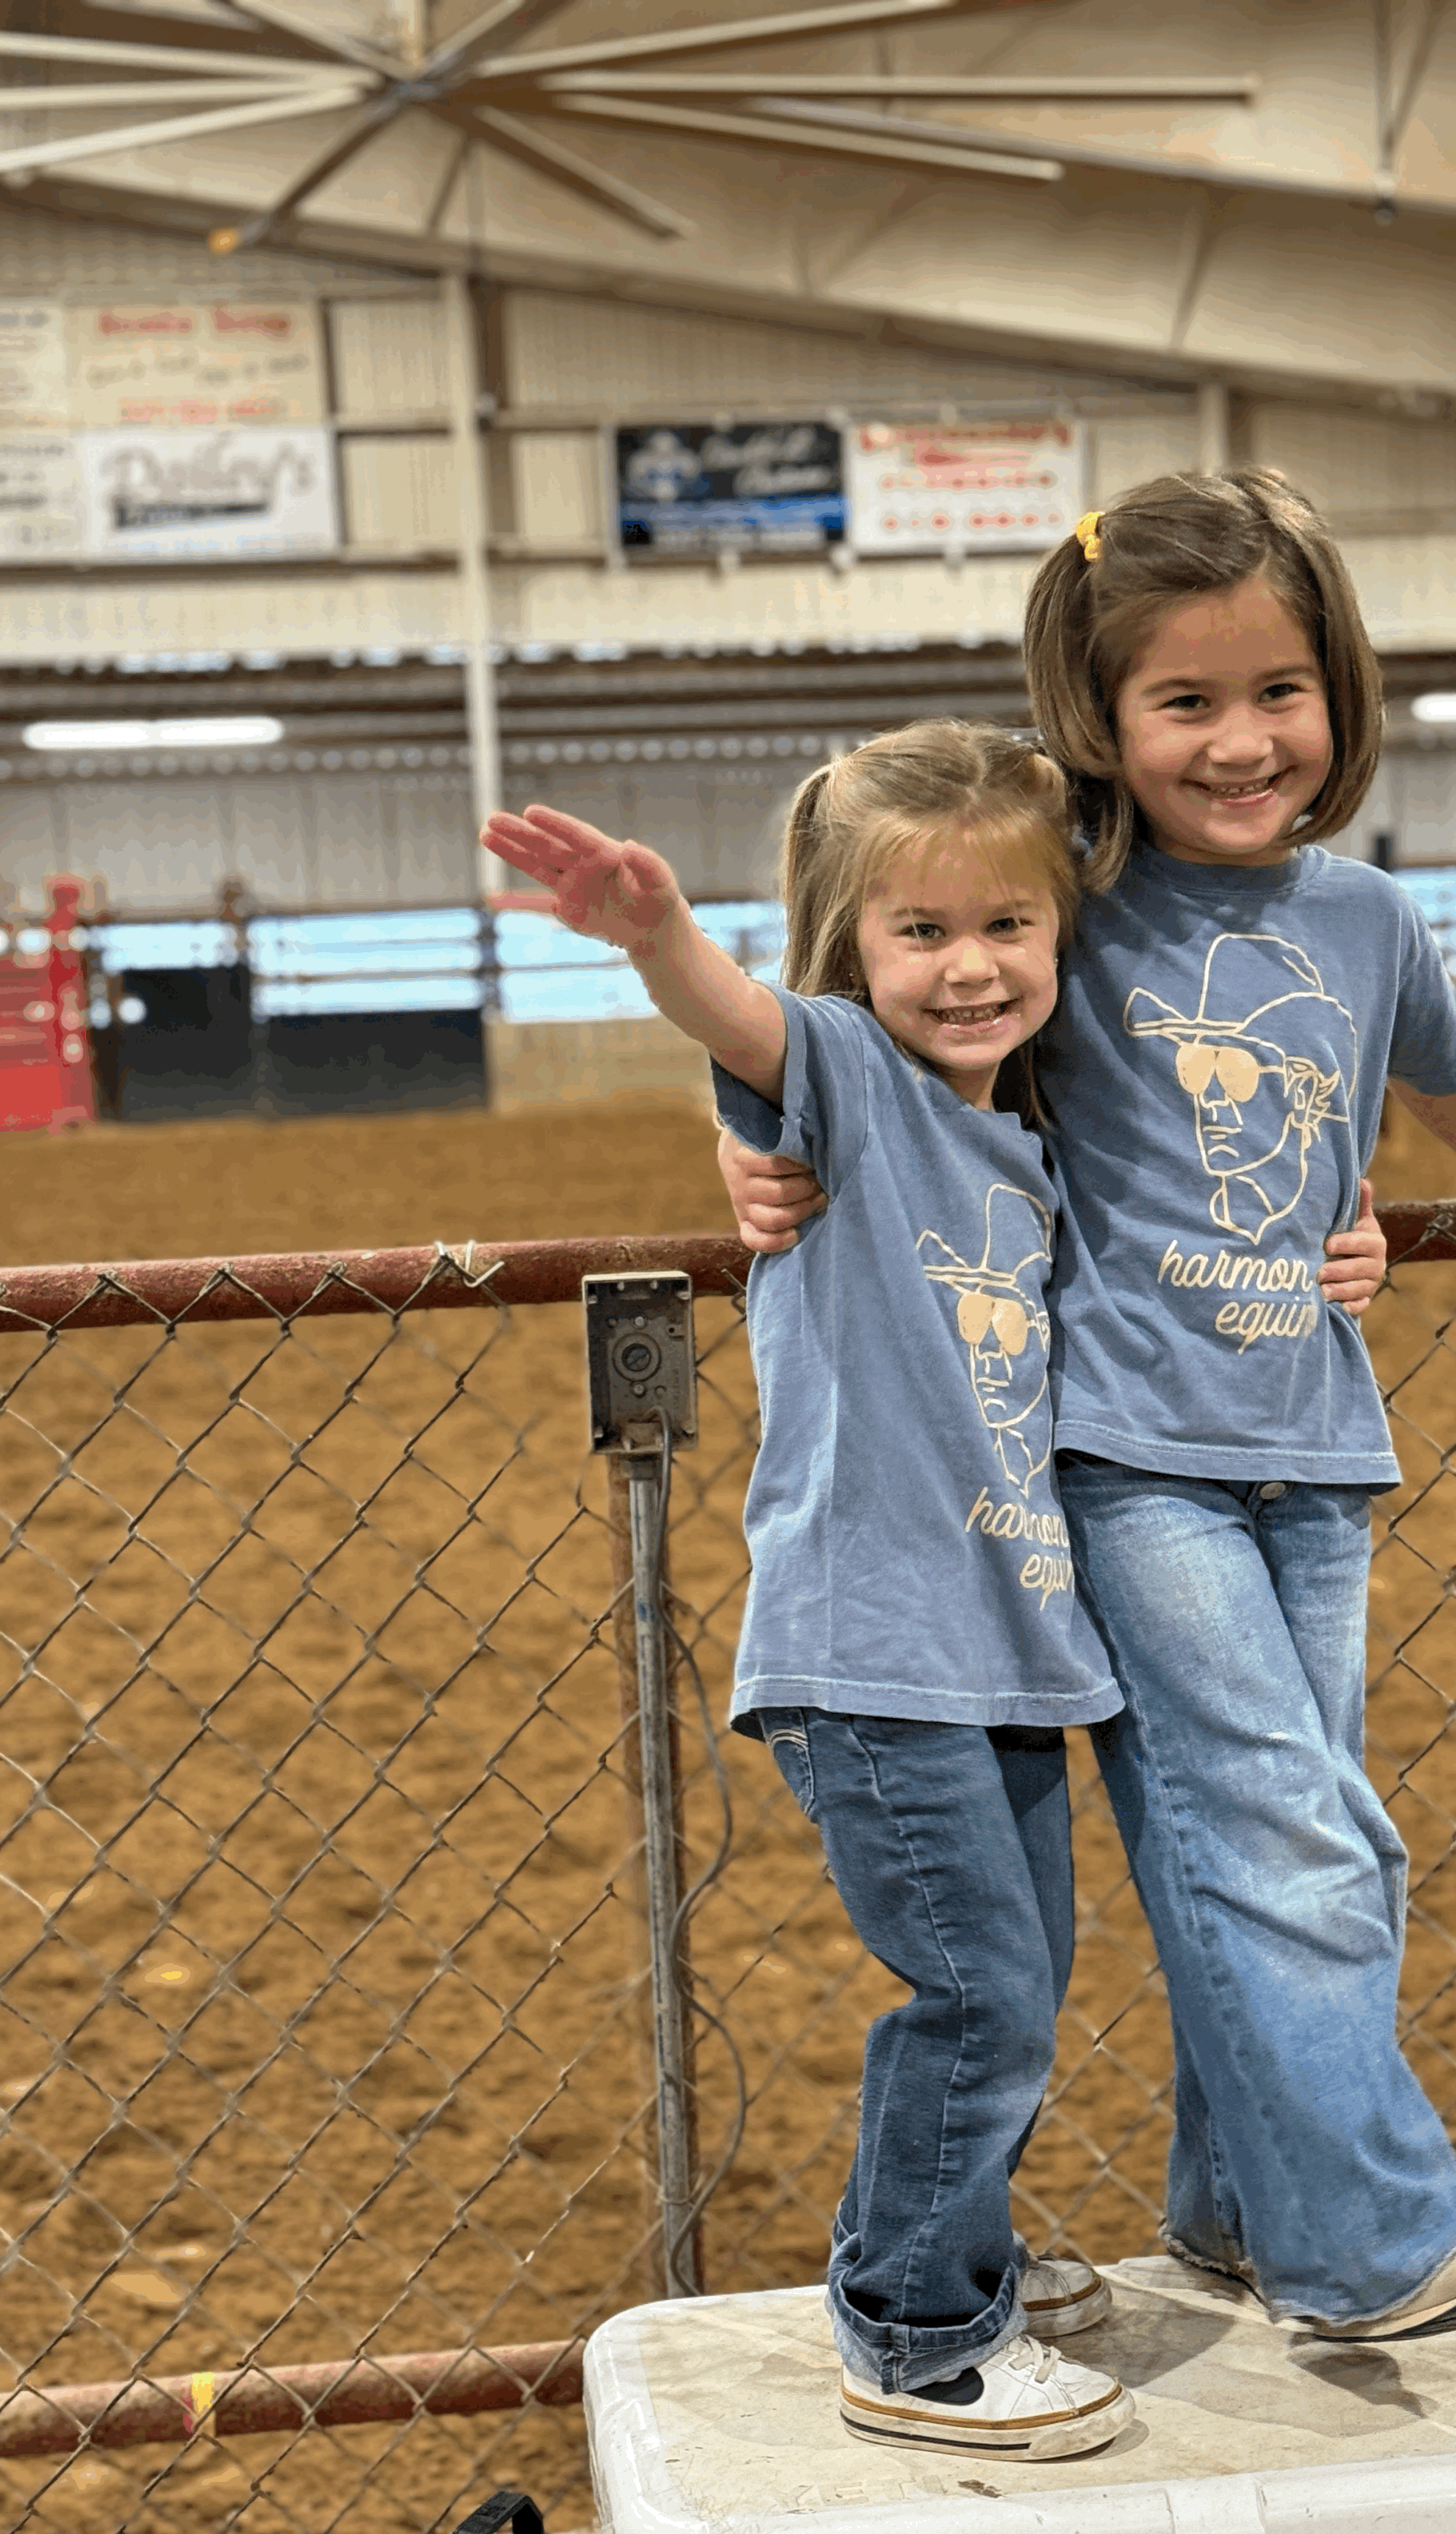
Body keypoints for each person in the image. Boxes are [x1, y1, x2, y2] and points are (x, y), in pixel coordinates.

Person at [721, 467, 1456, 2345]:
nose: (1241, 740)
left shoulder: (1369, 917)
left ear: (1338, 694)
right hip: (1124, 1450)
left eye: (1279, 691)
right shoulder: (1070, 894)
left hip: (1317, 1440)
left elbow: (1440, 1076)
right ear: (1102, 713)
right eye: (1186, 701)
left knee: (1323, 1830)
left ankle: (1243, 2207)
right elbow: (874, 997)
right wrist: (749, 1152)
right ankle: (1365, 2237)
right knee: (1265, 1820)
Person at [480, 723, 1140, 2463]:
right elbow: (741, 1020)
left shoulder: (1031, 1142)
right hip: (873, 1649)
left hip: (1005, 1650)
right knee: (979, 1992)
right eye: (920, 930)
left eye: (1007, 924)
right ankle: (917, 2332)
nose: (970, 965)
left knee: (1019, 1981)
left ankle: (959, 2251)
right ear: (850, 946)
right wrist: (656, 937)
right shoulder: (843, 1075)